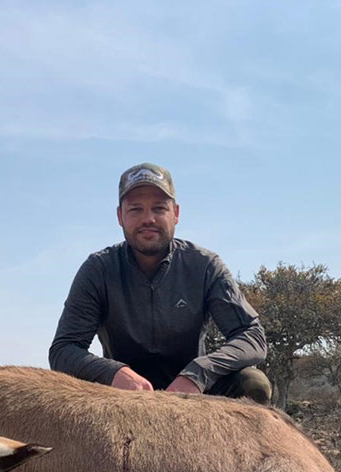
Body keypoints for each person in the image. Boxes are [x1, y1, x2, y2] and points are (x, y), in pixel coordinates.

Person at [49, 162, 271, 403]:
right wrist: (114, 373)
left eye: (159, 208)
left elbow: (251, 335)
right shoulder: (98, 269)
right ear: (119, 216)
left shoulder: (205, 265)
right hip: (120, 396)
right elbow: (64, 349)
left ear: (175, 213)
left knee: (254, 384)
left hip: (193, 394)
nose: (148, 219)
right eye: (135, 209)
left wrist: (198, 373)